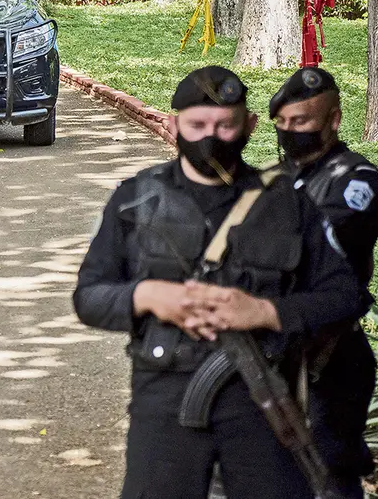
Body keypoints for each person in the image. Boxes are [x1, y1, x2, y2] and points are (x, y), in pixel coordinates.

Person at [73, 65, 365, 498]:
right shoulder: (135, 200)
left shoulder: (287, 204)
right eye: (197, 126)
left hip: (261, 395)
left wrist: (266, 312)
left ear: (249, 125)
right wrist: (147, 295)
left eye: (225, 125)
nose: (211, 137)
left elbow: (344, 297)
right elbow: (89, 297)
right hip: (164, 397)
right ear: (173, 125)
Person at [270, 67, 378, 497]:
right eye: (284, 122)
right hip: (276, 350)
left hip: (330, 357)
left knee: (329, 474)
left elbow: (326, 242)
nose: (291, 132)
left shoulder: (357, 179)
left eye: (302, 121)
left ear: (334, 120)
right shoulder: (275, 178)